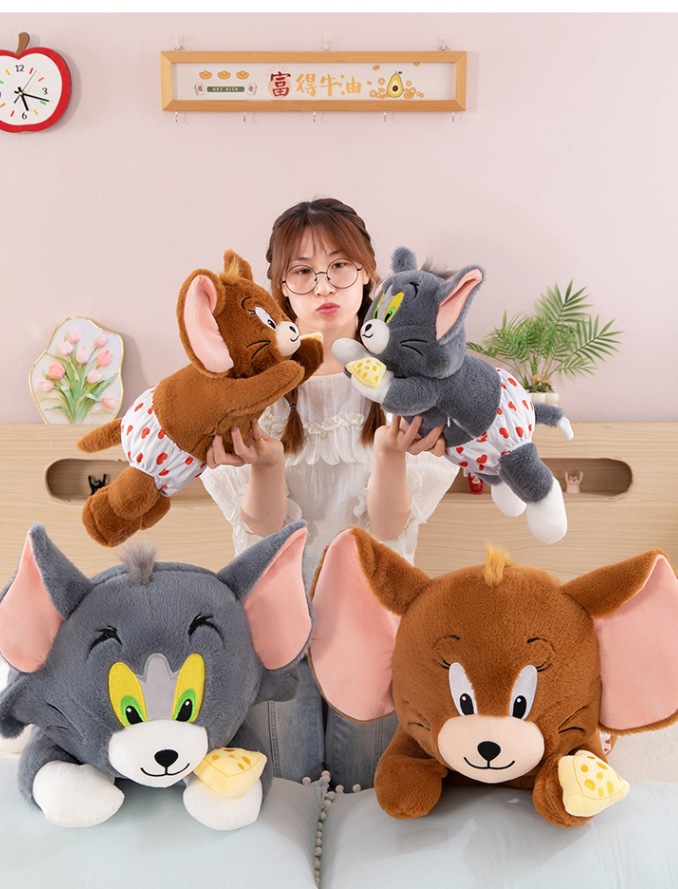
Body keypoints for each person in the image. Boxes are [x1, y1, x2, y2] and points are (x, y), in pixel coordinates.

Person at [201, 197, 458, 790]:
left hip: (371, 626)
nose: (323, 285)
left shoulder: (407, 386)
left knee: (365, 794)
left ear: (368, 275)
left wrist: (390, 453)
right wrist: (267, 467)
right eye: (303, 271)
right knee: (284, 790)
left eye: (340, 265)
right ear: (280, 289)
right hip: (275, 629)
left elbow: (388, 532)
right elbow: (262, 535)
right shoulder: (249, 389)